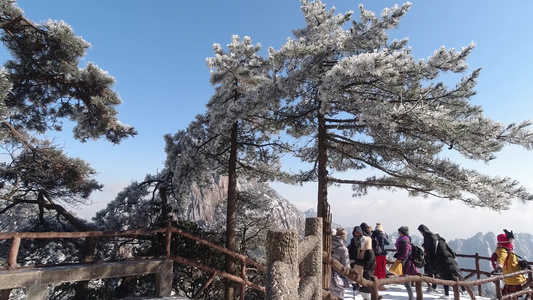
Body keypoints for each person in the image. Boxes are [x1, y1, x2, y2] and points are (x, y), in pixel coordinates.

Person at [492, 229, 526, 296]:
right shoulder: (503, 250)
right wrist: (499, 268)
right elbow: (501, 258)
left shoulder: (508, 250)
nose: (512, 242)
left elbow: (510, 263)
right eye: (510, 241)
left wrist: (519, 264)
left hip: (514, 278)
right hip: (513, 280)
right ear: (506, 241)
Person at [434, 233, 466, 300]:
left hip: (443, 264)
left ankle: (446, 295)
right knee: (458, 276)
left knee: (445, 278)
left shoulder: (435, 245)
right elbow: (452, 253)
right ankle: (465, 291)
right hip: (452, 262)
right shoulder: (444, 243)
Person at [394, 226, 418, 300]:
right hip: (407, 263)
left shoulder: (404, 241)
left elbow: (405, 254)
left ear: (402, 233)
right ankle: (411, 298)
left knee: (407, 283)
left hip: (407, 263)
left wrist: (398, 256)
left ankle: (411, 298)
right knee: (407, 282)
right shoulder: (405, 240)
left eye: (400, 232)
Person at [353, 235, 376, 300]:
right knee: (363, 293)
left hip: (367, 274)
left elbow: (367, 263)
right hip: (363, 274)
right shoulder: (361, 250)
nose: (362, 242)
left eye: (363, 241)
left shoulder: (369, 251)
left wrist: (356, 261)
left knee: (367, 294)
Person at [418, 224, 439, 293]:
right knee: (430, 272)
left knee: (433, 272)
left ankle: (434, 286)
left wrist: (427, 251)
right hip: (429, 256)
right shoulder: (427, 236)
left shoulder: (429, 236)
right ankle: (432, 286)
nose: (421, 233)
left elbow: (432, 245)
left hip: (431, 257)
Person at [330, 228, 350, 300]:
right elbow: (346, 266)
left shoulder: (327, 245)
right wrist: (352, 280)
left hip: (326, 276)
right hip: (339, 280)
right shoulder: (343, 249)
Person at [372, 222, 390, 287]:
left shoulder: (373, 235)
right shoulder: (382, 236)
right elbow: (388, 243)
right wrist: (386, 237)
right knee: (382, 268)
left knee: (376, 268)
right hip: (381, 254)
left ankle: (375, 282)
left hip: (374, 254)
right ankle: (381, 284)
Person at [348, 226, 364, 292]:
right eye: (355, 233)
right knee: (353, 271)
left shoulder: (363, 239)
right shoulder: (352, 240)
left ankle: (359, 284)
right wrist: (351, 257)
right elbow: (351, 249)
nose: (356, 234)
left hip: (360, 257)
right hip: (354, 257)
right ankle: (354, 284)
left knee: (360, 272)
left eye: (358, 232)